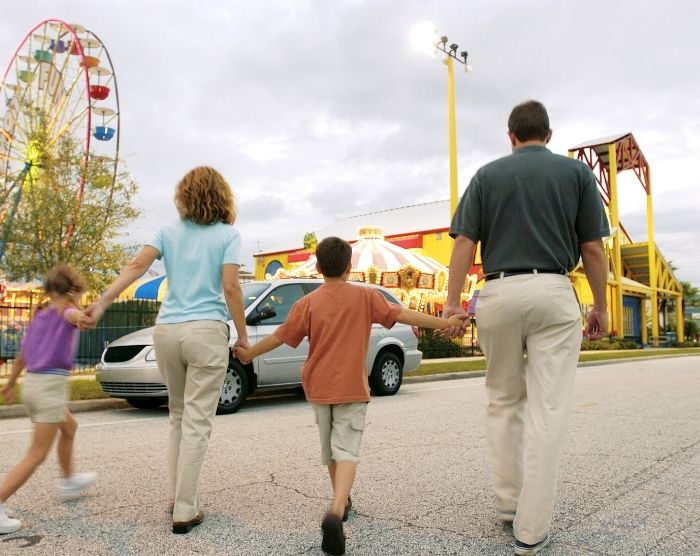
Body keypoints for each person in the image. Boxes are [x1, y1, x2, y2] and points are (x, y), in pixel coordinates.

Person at [443, 100, 609, 555]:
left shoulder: (487, 175)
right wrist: (600, 307)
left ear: (510, 135)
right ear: (549, 135)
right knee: (548, 407)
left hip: (497, 292)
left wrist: (454, 304)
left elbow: (463, 243)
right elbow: (592, 248)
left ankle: (509, 503)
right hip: (553, 291)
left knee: (502, 399)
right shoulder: (577, 175)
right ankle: (531, 529)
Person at [234, 236, 466, 556]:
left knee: (331, 448)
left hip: (317, 386)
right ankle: (336, 508)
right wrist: (445, 321)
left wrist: (249, 355)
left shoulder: (307, 303)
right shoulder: (365, 297)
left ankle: (342, 501)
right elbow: (403, 315)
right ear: (349, 266)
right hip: (350, 386)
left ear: (318, 267)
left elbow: (279, 337)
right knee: (347, 449)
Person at [86, 166, 249, 534]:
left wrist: (100, 303)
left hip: (167, 331)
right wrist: (243, 335)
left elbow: (136, 265)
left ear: (184, 196)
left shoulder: (167, 231)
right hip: (205, 331)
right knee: (197, 421)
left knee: (177, 416)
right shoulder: (228, 235)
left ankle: (178, 497)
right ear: (222, 196)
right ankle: (185, 509)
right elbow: (231, 288)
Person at [0, 264, 96, 535]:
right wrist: (86, 317)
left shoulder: (39, 315)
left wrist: (9, 385)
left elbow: (21, 356)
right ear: (73, 291)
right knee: (36, 455)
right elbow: (77, 317)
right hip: (49, 388)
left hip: (32, 385)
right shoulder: (66, 311)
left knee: (69, 427)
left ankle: (69, 481)